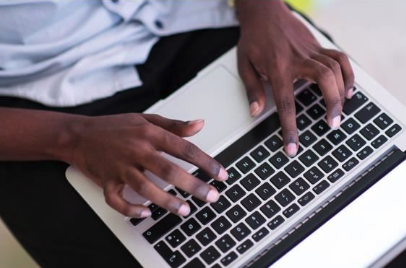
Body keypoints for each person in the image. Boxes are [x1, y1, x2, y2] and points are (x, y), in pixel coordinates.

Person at [0, 0, 354, 267]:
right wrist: (72, 137)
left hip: (191, 15)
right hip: (34, 103)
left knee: (350, 157)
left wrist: (262, 7)